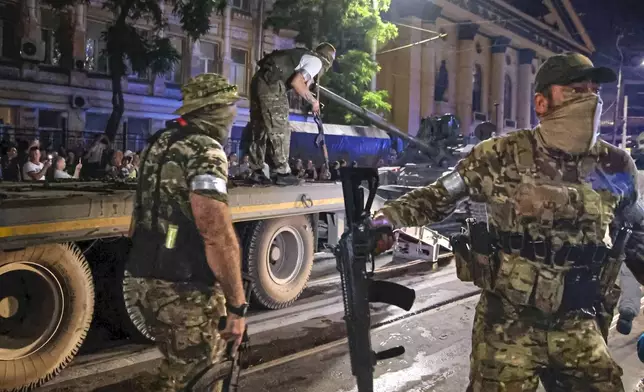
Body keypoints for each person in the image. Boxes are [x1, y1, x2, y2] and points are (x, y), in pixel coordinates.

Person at [372, 52, 644, 391]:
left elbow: (635, 234)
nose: (590, 96)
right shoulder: (497, 156)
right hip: (507, 325)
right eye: (576, 88)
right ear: (541, 103)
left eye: (593, 89)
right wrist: (384, 221)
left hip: (579, 321)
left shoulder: (617, 164)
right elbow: (437, 196)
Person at [124, 73, 248, 392]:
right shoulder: (206, 151)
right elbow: (215, 232)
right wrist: (237, 306)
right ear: (213, 109)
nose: (234, 114)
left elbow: (139, 214)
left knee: (176, 372)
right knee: (195, 379)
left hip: (144, 276)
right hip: (184, 287)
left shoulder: (160, 141)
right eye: (230, 106)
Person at [243, 42, 336, 185]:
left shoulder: (303, 56)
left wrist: (309, 97)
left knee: (259, 129)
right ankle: (282, 172)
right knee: (280, 128)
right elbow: (297, 82)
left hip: (260, 79)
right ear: (328, 59)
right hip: (272, 84)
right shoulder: (316, 62)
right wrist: (313, 101)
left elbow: (301, 84)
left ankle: (257, 171)